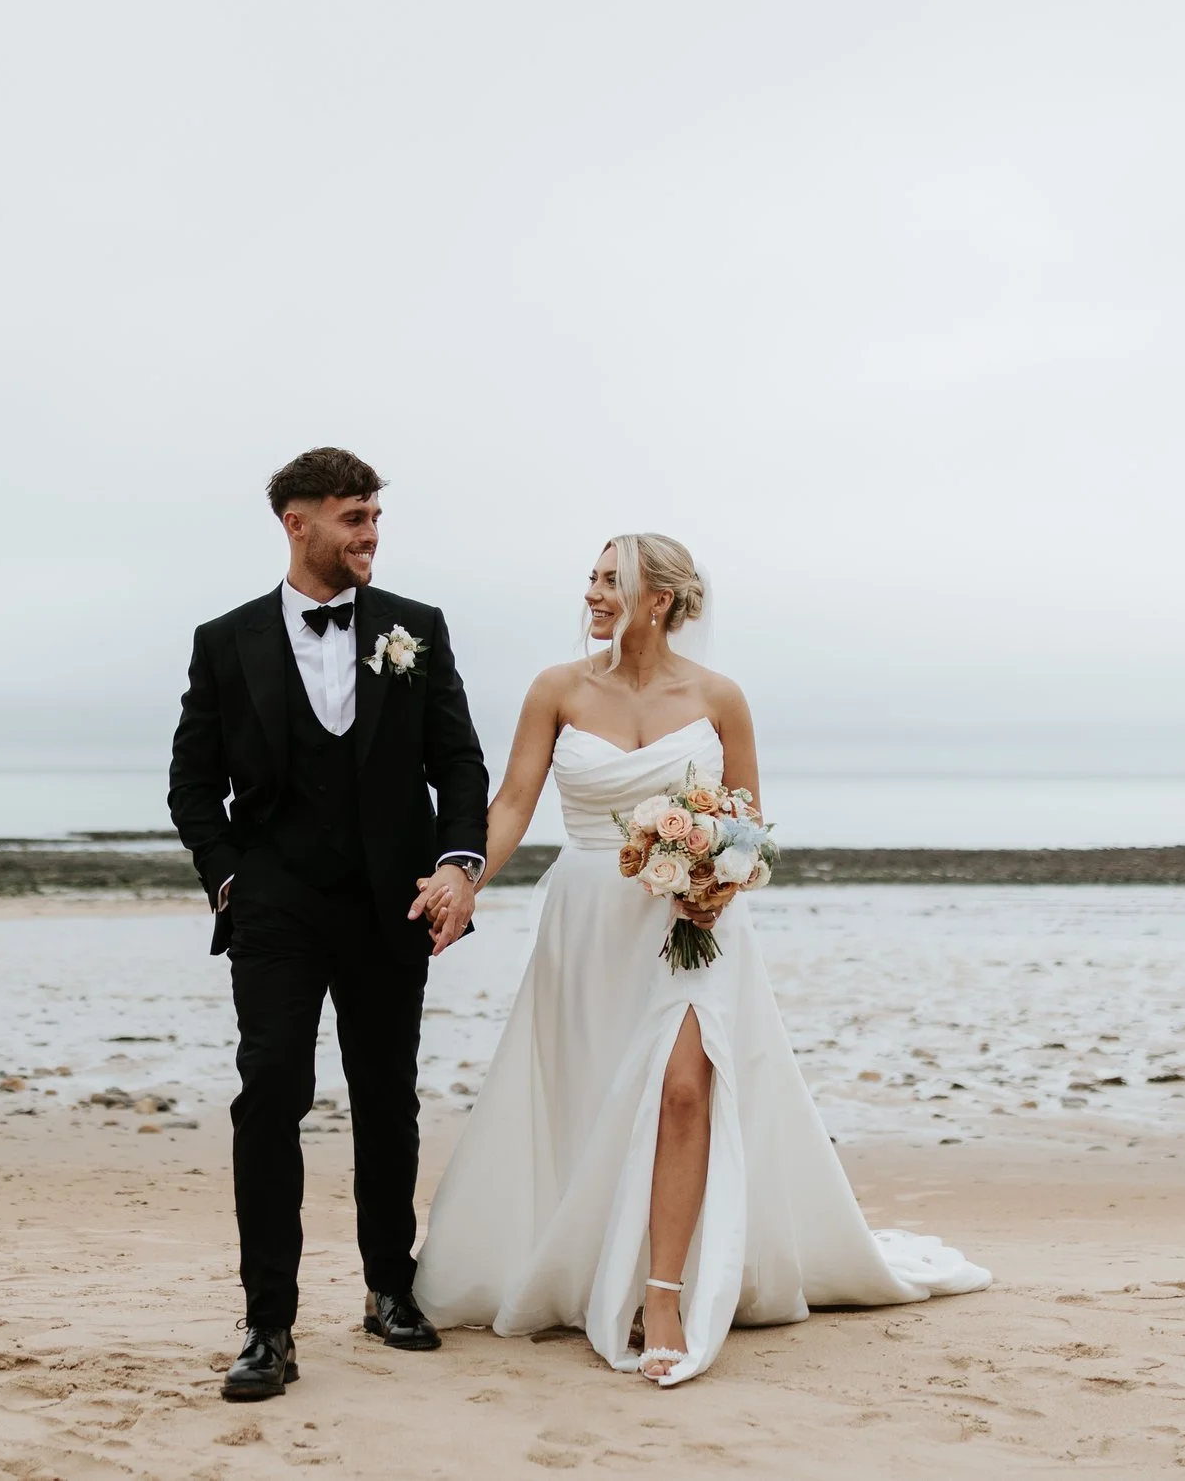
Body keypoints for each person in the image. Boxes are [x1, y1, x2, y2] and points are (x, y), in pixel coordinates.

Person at [410, 533, 989, 1386]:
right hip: (585, 920)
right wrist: (463, 876)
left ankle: (665, 1292)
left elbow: (750, 824)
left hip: (691, 921)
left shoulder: (720, 698)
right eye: (593, 578)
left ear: (662, 600)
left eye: (614, 580)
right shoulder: (557, 690)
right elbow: (514, 803)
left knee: (686, 1088)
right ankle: (591, 1255)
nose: (595, 593)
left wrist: (719, 878)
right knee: (593, 1094)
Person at [167, 447, 491, 1402]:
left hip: (392, 901)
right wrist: (229, 880)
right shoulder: (223, 641)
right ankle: (269, 1323)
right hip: (276, 906)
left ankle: (389, 1286)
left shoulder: (415, 629)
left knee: (387, 1095)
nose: (371, 534)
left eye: (377, 517)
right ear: (296, 522)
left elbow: (460, 765)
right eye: (354, 517)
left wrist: (457, 865)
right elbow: (193, 785)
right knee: (269, 1093)